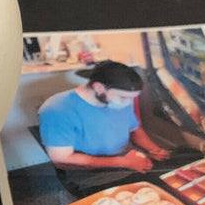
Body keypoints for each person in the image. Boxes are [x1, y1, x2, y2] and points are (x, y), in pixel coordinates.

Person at [38, 60, 171, 196]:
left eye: (131, 98)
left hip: (128, 159)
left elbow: (135, 130)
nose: (127, 103)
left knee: (173, 180)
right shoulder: (57, 109)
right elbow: (61, 160)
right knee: (148, 198)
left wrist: (153, 149)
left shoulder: (121, 101)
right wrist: (122, 162)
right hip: (93, 174)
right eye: (123, 97)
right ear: (99, 87)